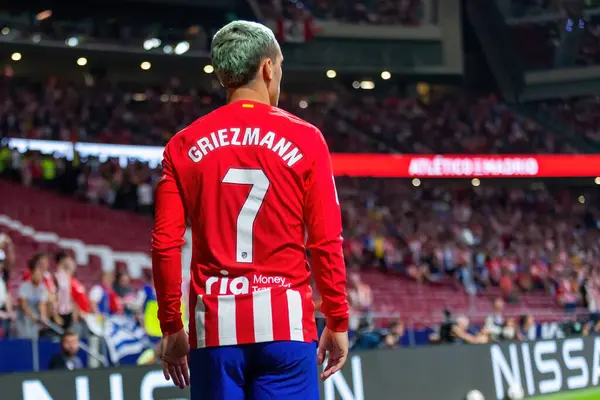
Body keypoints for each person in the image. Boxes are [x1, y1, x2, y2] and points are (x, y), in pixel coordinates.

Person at [151, 20, 349, 400]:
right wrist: (337, 319)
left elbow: (165, 244)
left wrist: (172, 327)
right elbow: (325, 240)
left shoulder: (182, 145)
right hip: (286, 327)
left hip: (216, 331)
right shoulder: (307, 138)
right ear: (268, 68)